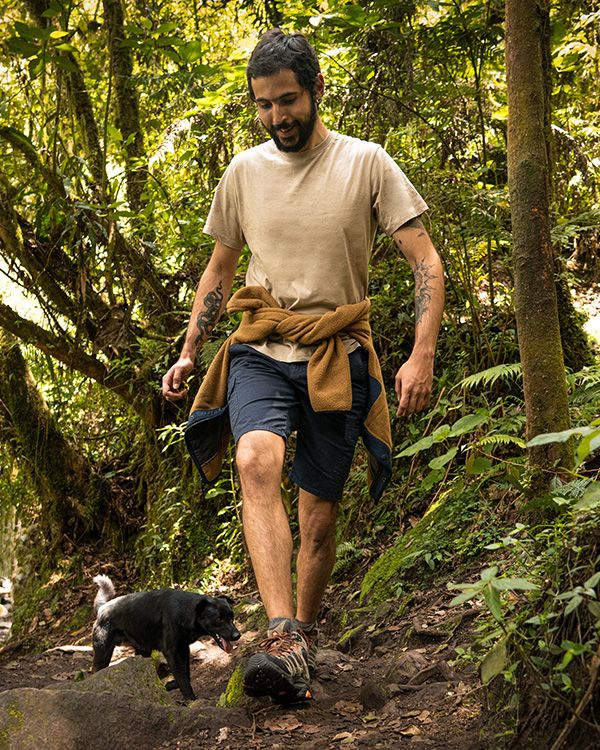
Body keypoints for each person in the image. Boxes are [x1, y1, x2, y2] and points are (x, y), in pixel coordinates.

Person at [162, 28, 444, 704]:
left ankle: (300, 645)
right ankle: (281, 635)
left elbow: (426, 264)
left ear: (318, 90)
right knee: (255, 459)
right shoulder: (243, 172)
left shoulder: (367, 163)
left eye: (287, 101)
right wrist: (190, 349)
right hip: (261, 345)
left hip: (336, 353)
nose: (276, 117)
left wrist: (421, 353)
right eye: (263, 105)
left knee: (319, 516)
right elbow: (220, 270)